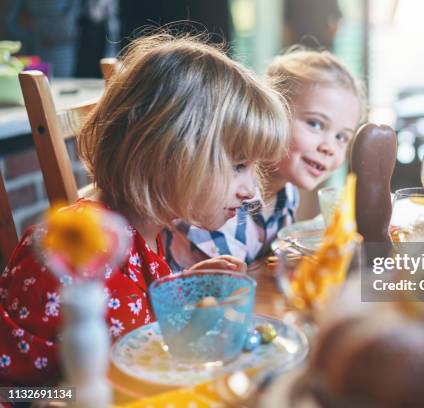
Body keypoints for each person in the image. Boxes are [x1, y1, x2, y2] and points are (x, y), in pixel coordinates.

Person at [0, 33, 289, 386]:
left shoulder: (140, 233)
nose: (251, 191)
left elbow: (132, 327)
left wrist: (181, 293)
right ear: (169, 154)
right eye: (238, 166)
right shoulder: (78, 255)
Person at [165, 46, 365, 269]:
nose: (329, 147)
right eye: (315, 124)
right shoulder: (222, 198)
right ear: (273, 111)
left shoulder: (286, 195)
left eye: (342, 137)